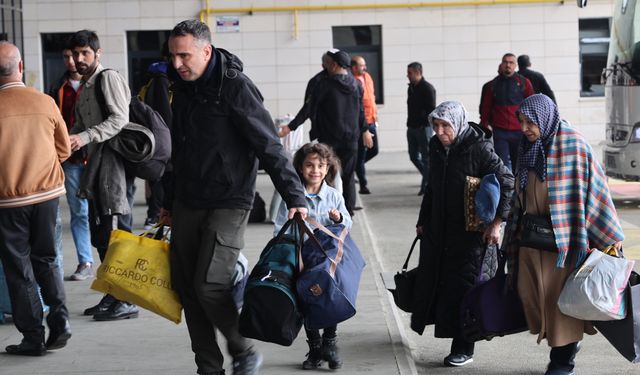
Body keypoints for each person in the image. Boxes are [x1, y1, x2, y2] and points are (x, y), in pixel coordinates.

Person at [160, 20, 308, 375]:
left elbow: (269, 145)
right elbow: (175, 152)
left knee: (210, 285)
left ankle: (242, 350)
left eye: (185, 55)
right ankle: (208, 367)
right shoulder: (177, 87)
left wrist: (294, 195)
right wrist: (166, 201)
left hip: (230, 201)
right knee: (188, 290)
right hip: (186, 201)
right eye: (173, 55)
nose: (177, 63)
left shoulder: (236, 88)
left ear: (206, 51)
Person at [503, 94, 624, 375]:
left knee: (561, 306)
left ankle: (563, 360)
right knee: (531, 297)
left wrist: (610, 234)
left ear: (544, 119)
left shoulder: (574, 146)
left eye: (529, 122)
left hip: (564, 244)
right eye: (521, 122)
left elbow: (597, 192)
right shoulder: (527, 147)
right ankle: (563, 346)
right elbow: (518, 193)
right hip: (531, 241)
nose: (524, 128)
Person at [411, 101, 514, 367]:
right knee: (441, 284)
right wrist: (423, 221)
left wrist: (497, 223)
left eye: (446, 125)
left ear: (457, 123)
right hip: (440, 230)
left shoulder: (478, 148)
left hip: (470, 234)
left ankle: (464, 347)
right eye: (436, 126)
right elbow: (432, 188)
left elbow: (506, 181)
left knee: (465, 288)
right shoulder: (436, 147)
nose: (440, 131)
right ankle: (452, 337)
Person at [0, 41, 72, 356]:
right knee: (47, 259)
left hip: (8, 201)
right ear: (20, 67)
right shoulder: (44, 101)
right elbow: (64, 149)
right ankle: (61, 318)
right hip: (47, 196)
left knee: (19, 268)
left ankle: (33, 337)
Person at [68, 30, 140, 321]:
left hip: (115, 165)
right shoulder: (84, 86)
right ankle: (113, 294)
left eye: (85, 53)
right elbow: (78, 125)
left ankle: (127, 300)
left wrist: (84, 137)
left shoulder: (107, 78)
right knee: (102, 233)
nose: (79, 59)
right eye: (75, 54)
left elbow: (120, 119)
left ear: (97, 54)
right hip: (95, 165)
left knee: (117, 231)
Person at [273, 143, 352, 370]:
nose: (315, 170)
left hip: (328, 262)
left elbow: (348, 223)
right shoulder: (291, 196)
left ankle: (330, 342)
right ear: (300, 167)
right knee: (306, 300)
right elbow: (279, 226)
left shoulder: (334, 196)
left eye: (320, 165)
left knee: (330, 299)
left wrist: (338, 219)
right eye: (309, 165)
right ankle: (315, 347)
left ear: (327, 169)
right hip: (302, 260)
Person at [282, 49, 373, 215]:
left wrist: (290, 127)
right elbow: (361, 111)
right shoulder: (356, 85)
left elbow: (308, 109)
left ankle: (328, 211)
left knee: (327, 176)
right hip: (351, 139)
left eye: (328, 64)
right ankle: (348, 213)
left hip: (329, 140)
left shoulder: (324, 84)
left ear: (334, 64)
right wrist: (365, 130)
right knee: (348, 177)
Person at [48, 47, 94, 281]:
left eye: (75, 55)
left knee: (105, 213)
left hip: (98, 157)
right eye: (65, 56)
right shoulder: (57, 89)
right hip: (71, 159)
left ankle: (114, 266)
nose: (72, 61)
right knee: (79, 213)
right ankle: (85, 260)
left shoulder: (97, 83)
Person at [479, 53, 534, 171]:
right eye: (505, 62)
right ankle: (506, 189)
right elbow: (486, 107)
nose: (508, 65)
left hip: (520, 131)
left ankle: (519, 189)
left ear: (516, 65)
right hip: (500, 132)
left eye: (511, 62)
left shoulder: (525, 83)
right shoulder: (492, 85)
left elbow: (531, 105)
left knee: (519, 164)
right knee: (501, 165)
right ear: (501, 64)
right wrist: (483, 125)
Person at [138, 58, 172, 230]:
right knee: (161, 178)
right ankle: (155, 215)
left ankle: (154, 214)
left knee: (156, 179)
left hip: (151, 138)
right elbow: (165, 113)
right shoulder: (162, 81)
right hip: (162, 138)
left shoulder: (151, 80)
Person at [406, 62, 436, 195]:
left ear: (418, 73)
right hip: (411, 128)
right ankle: (429, 177)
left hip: (423, 128)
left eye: (410, 73)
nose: (407, 75)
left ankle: (426, 186)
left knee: (426, 158)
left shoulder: (428, 88)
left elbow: (431, 110)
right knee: (413, 157)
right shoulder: (411, 88)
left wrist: (424, 123)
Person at [351, 55, 379, 195]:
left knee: (374, 150)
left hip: (372, 120)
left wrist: (376, 118)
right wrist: (363, 128)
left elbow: (372, 98)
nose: (365, 68)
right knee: (361, 155)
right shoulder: (352, 82)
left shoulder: (367, 76)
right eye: (362, 65)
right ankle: (363, 185)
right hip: (362, 124)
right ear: (354, 67)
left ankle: (356, 166)